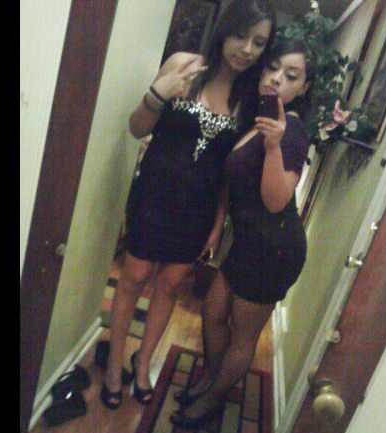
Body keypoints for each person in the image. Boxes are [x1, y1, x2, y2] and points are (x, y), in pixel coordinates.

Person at [101, 0, 277, 409]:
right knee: (133, 277)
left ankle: (142, 363)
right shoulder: (184, 66)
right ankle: (113, 362)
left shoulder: (249, 100)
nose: (246, 49)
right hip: (153, 194)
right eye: (240, 35)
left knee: (170, 285)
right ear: (224, 29)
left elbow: (228, 171)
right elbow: (136, 128)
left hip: (198, 210)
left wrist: (217, 224)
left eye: (258, 43)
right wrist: (156, 95)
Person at [171, 38, 316, 428]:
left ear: (303, 88)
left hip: (275, 249)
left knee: (243, 335)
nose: (276, 79)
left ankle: (213, 398)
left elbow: (275, 200)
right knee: (212, 311)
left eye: (291, 76)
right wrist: (218, 226)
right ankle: (210, 377)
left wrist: (274, 146)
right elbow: (232, 181)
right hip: (247, 243)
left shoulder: (292, 131)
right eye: (273, 67)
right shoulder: (258, 120)